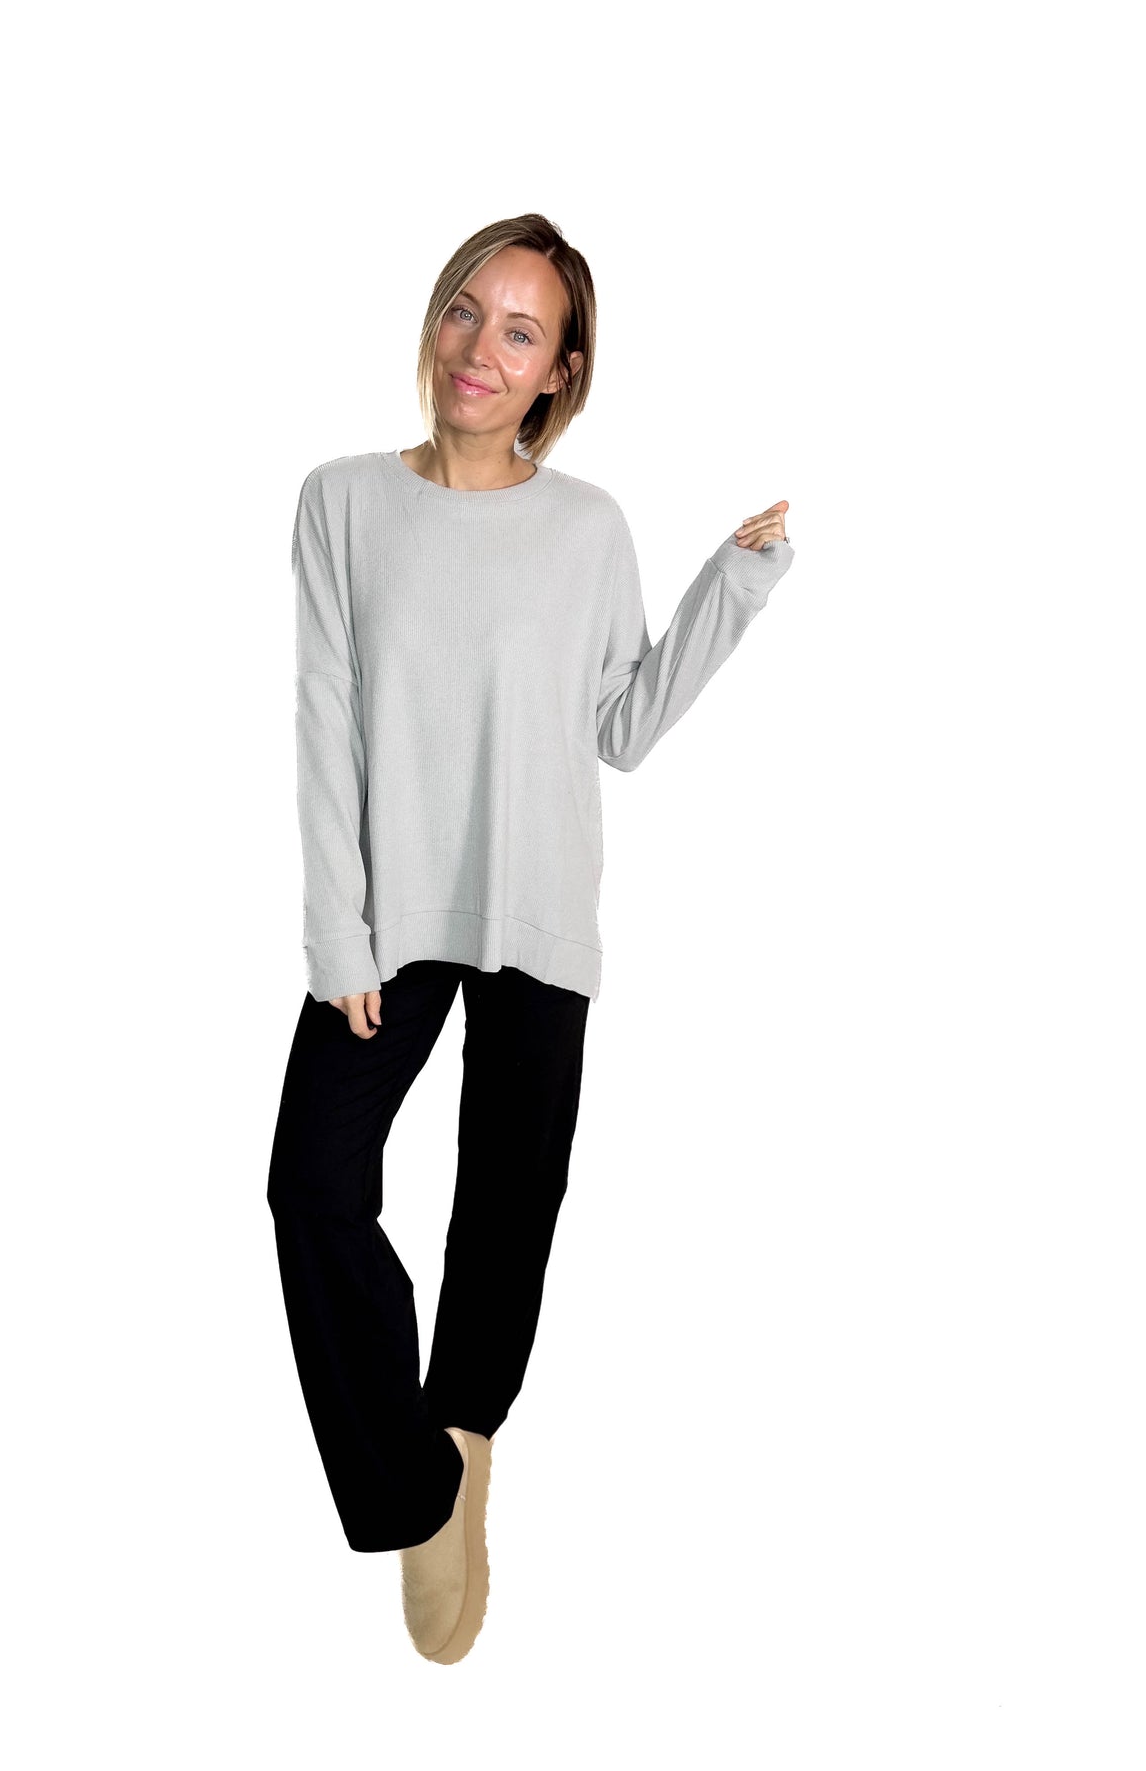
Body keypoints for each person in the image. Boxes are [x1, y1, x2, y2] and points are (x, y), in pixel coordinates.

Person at [266, 212, 795, 1664]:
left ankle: (464, 1438)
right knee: (311, 1186)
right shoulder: (341, 501)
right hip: (389, 912)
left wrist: (731, 586)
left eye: (519, 332)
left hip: (537, 899)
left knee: (507, 1204)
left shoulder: (587, 529)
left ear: (560, 371)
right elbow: (322, 720)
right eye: (464, 310)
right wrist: (335, 935)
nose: (478, 350)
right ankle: (414, 1489)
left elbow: (620, 727)